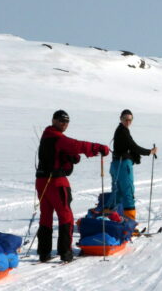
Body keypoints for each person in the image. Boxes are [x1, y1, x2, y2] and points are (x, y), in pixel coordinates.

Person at [35, 110, 110, 263]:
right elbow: (77, 145)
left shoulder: (46, 136)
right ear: (54, 120)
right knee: (66, 216)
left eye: (67, 122)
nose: (64, 124)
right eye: (61, 121)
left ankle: (44, 253)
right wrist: (100, 148)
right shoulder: (57, 138)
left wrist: (69, 157)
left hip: (42, 181)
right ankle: (65, 253)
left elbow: (65, 153)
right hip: (55, 182)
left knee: (46, 216)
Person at [110, 109, 158, 222]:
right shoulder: (122, 131)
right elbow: (133, 146)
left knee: (118, 192)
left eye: (130, 120)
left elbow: (129, 146)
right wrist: (149, 152)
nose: (128, 122)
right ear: (121, 118)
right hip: (122, 165)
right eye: (125, 119)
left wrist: (133, 154)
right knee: (128, 192)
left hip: (116, 164)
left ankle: (114, 219)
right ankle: (129, 222)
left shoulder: (121, 130)